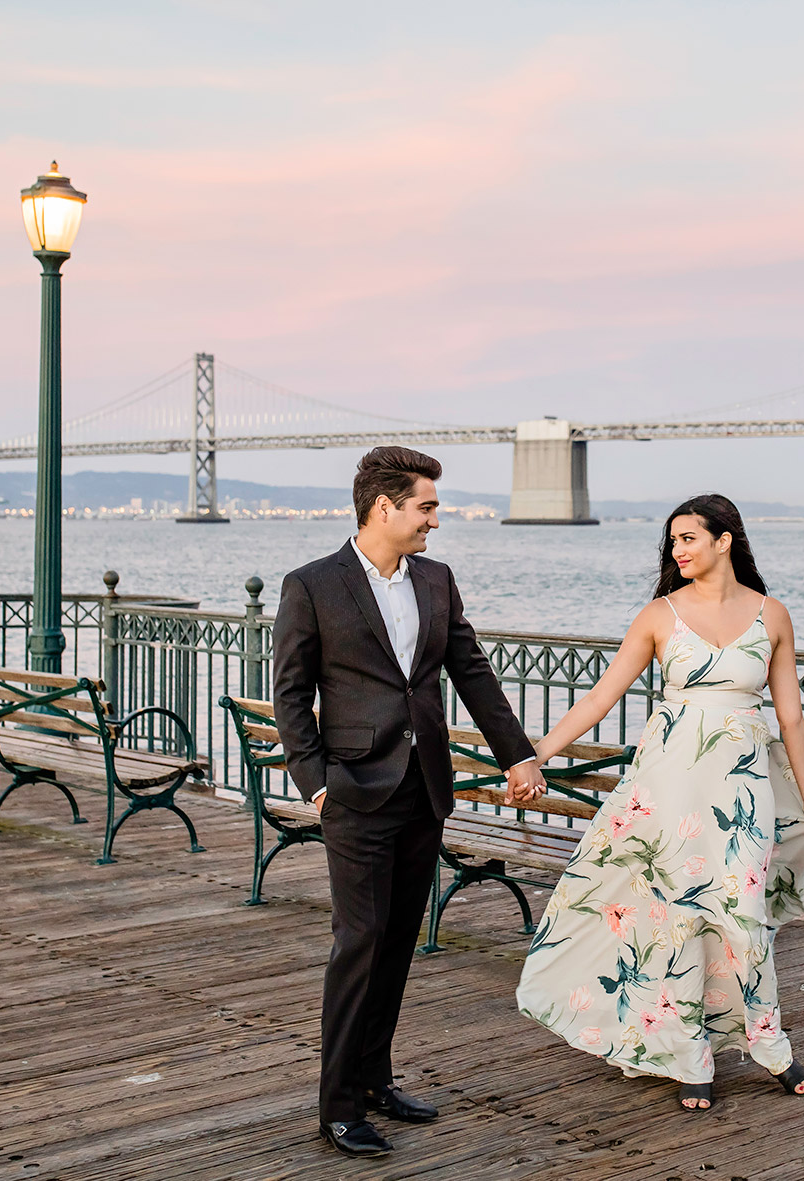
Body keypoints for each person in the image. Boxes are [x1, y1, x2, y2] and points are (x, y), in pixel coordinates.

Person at [516, 494, 804, 1111]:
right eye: (673, 541)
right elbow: (601, 697)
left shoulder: (773, 616)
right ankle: (688, 1053)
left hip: (741, 789)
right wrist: (541, 754)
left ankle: (769, 1042)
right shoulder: (658, 616)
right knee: (674, 916)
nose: (677, 550)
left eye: (689, 538)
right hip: (667, 788)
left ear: (725, 540)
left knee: (743, 914)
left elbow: (790, 715)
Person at [273, 446, 549, 1159]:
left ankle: (374, 1079)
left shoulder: (436, 578)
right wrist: (318, 783)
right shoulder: (312, 585)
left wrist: (517, 751)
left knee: (396, 943)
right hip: (356, 793)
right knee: (357, 942)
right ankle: (336, 1106)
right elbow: (291, 696)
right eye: (426, 505)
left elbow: (471, 670)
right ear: (384, 507)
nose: (435, 519)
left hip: (425, 788)